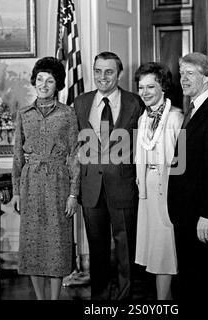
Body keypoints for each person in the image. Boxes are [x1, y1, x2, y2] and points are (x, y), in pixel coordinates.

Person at [74, 51, 145, 300]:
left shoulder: (135, 102)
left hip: (124, 187)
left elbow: (142, 145)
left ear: (119, 73)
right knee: (97, 249)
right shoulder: (81, 102)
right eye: (97, 71)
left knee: (126, 249)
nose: (102, 77)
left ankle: (125, 298)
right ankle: (100, 299)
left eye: (108, 71)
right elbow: (76, 147)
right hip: (91, 187)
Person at [167, 53, 208, 300]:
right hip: (185, 211)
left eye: (190, 74)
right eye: (181, 73)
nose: (183, 79)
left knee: (204, 281)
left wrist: (207, 214)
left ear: (207, 78)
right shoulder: (194, 109)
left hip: (201, 215)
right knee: (189, 278)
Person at [12, 57, 80, 300]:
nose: (43, 84)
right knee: (33, 244)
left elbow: (75, 155)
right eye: (40, 79)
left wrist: (74, 193)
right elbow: (17, 155)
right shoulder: (24, 114)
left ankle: (54, 298)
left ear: (57, 84)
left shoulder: (67, 114)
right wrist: (17, 191)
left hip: (58, 182)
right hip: (30, 182)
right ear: (34, 81)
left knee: (57, 242)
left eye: (49, 80)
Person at [134, 62, 183, 300]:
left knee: (165, 247)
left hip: (168, 189)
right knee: (154, 247)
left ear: (163, 87)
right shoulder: (143, 118)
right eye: (141, 87)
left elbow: (182, 161)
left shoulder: (175, 117)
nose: (144, 92)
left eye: (150, 87)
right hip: (148, 188)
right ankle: (165, 298)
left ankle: (163, 302)